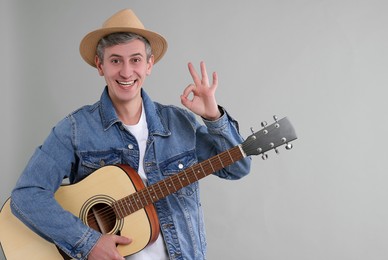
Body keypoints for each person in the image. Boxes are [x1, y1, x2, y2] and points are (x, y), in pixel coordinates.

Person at [10, 8, 251, 260]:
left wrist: (214, 117)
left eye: (135, 60)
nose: (126, 72)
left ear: (149, 65)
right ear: (99, 65)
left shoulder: (180, 123)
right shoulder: (75, 129)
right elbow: (26, 195)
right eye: (115, 60)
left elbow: (238, 168)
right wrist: (87, 242)